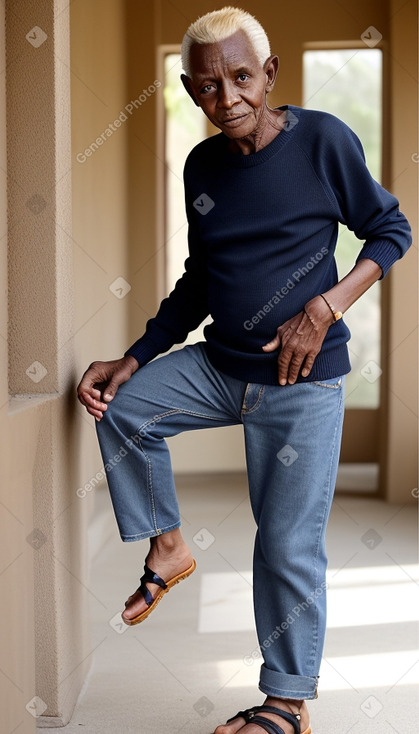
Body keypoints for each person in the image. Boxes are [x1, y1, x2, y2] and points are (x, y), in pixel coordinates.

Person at [77, 7, 411, 733]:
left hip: (303, 379)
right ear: (189, 90)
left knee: (285, 543)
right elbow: (200, 278)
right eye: (205, 87)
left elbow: (391, 229)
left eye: (238, 77)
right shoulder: (203, 165)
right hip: (219, 365)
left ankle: (285, 706)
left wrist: (323, 307)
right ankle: (168, 548)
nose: (225, 97)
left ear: (268, 73)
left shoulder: (322, 140)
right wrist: (136, 355)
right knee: (123, 407)